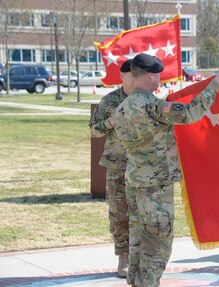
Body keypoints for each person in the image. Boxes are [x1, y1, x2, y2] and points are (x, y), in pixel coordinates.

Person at [113, 53, 219, 287]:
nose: (159, 80)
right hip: (155, 187)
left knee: (138, 241)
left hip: (134, 183)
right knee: (158, 245)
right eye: (157, 75)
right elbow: (191, 113)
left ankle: (136, 282)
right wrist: (216, 83)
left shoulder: (122, 108)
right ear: (149, 75)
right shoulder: (154, 106)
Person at [89, 59, 134, 278]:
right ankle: (123, 256)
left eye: (138, 75)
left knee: (144, 213)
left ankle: (141, 256)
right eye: (131, 75)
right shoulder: (109, 101)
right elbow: (94, 130)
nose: (135, 79)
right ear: (123, 77)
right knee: (119, 213)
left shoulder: (146, 100)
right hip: (117, 166)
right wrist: (111, 122)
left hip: (144, 166)